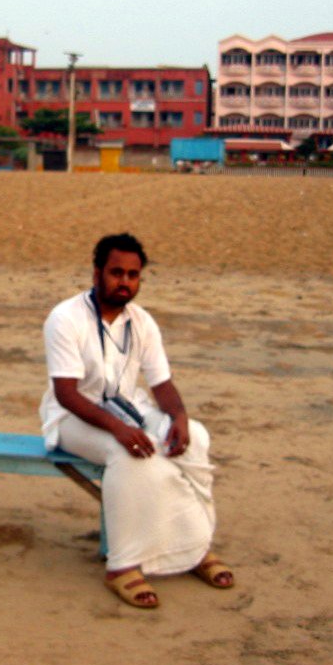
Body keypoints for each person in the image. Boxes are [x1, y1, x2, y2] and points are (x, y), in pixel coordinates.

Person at [40, 233, 233, 608]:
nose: (124, 282)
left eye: (133, 275)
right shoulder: (65, 318)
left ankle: (195, 548)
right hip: (71, 417)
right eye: (116, 273)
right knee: (129, 454)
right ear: (97, 273)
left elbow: (162, 383)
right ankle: (122, 565)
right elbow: (66, 393)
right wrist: (118, 428)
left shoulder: (142, 321)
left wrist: (178, 415)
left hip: (128, 408)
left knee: (195, 437)